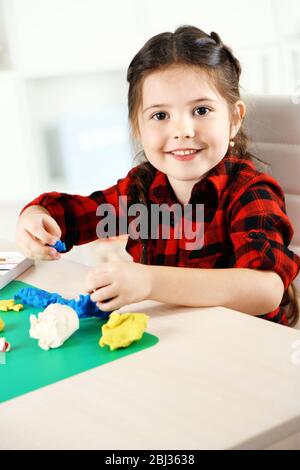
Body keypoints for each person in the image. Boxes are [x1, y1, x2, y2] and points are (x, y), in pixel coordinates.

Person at [16, 25, 300, 326]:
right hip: (175, 336)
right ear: (138, 129)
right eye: (160, 115)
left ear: (234, 119)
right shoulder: (142, 189)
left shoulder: (250, 192)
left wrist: (149, 281)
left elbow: (266, 290)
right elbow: (74, 216)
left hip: (247, 344)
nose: (182, 131)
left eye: (201, 111)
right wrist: (36, 219)